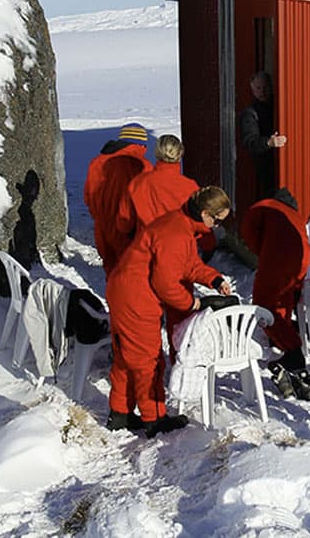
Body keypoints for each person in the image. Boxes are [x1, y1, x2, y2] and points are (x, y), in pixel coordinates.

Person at [104, 186, 235, 437]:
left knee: (126, 355)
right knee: (148, 360)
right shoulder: (176, 233)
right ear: (205, 213)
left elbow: (187, 264)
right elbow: (165, 283)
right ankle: (154, 419)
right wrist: (192, 304)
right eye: (217, 221)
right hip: (136, 297)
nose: (216, 227)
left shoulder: (180, 224)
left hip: (125, 289)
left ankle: (120, 413)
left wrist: (214, 279)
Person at [115, 134, 207, 355]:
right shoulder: (190, 188)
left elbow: (123, 224)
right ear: (180, 155)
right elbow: (202, 226)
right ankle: (181, 367)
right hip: (180, 259)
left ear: (156, 154)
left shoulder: (138, 184)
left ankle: (151, 365)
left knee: (147, 319)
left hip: (146, 258)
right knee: (180, 319)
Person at [239, 188, 310, 401]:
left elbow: (248, 233)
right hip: (301, 260)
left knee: (264, 307)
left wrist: (263, 252)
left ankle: (293, 355)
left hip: (277, 261)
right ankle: (283, 346)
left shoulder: (262, 208)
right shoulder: (294, 216)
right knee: (283, 303)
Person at [83, 123, 151, 276]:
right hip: (128, 227)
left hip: (102, 225)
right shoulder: (142, 166)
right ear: (141, 144)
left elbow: (88, 195)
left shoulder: (97, 162)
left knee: (110, 268)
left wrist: (99, 216)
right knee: (130, 271)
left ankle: (111, 296)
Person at [239, 71, 287, 200]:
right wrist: (268, 143)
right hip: (266, 169)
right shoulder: (250, 114)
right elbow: (249, 142)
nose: (262, 91)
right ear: (252, 89)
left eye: (265, 87)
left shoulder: (282, 107)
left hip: (287, 166)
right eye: (258, 88)